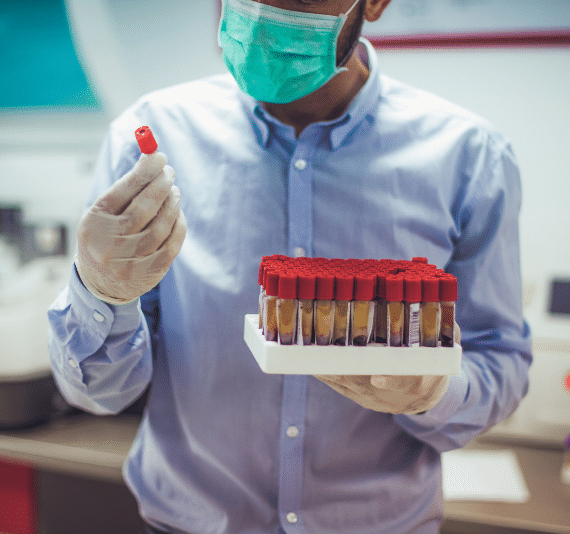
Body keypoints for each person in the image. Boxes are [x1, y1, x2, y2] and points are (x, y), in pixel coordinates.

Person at [47, 0, 533, 532]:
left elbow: (500, 361)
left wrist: (436, 393)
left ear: (374, 5)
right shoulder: (148, 138)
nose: (262, 12)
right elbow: (97, 392)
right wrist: (102, 294)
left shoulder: (468, 158)